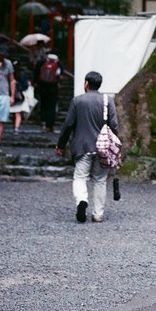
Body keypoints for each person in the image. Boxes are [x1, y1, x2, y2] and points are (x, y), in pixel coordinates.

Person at [55, 71, 118, 223]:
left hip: (82, 146)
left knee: (80, 177)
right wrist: (114, 145)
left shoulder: (78, 101)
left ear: (86, 84)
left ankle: (82, 200)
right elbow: (114, 125)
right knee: (100, 180)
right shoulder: (107, 100)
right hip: (102, 147)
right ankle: (97, 214)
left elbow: (68, 124)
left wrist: (60, 144)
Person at [35, 51, 62, 132]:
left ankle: (43, 122)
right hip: (53, 87)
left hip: (42, 87)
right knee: (52, 106)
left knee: (43, 104)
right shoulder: (58, 63)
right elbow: (60, 75)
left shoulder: (42, 62)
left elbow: (36, 73)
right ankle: (50, 124)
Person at [10, 64, 33, 133]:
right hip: (19, 95)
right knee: (18, 112)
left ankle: (15, 126)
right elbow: (25, 86)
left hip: (11, 94)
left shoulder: (11, 74)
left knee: (15, 113)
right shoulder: (22, 74)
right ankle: (16, 127)